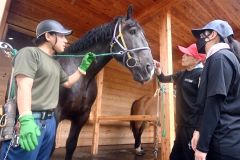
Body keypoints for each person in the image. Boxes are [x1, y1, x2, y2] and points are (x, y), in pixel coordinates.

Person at [0, 19, 96, 160]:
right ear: (48, 36)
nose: (66, 41)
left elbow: (68, 82)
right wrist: (26, 119)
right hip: (31, 120)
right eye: (62, 36)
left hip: (50, 122)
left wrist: (82, 68)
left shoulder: (55, 64)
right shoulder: (29, 53)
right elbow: (24, 86)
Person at [191, 19, 240, 160]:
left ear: (212, 35)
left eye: (201, 35)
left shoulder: (220, 58)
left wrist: (202, 147)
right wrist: (198, 130)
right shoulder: (219, 58)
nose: (199, 40)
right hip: (223, 139)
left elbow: (214, 104)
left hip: (223, 144)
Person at [154, 43, 206, 160]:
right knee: (175, 157)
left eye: (187, 54)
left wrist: (198, 130)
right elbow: (163, 78)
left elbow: (205, 105)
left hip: (192, 129)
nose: (183, 56)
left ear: (196, 59)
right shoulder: (181, 74)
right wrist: (158, 70)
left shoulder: (202, 75)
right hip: (180, 125)